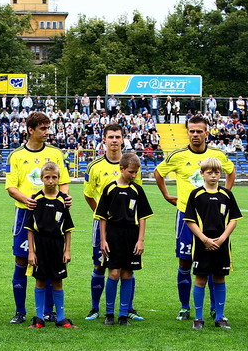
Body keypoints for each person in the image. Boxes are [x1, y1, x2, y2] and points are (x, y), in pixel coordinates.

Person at [154, 115, 235, 321]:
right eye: (192, 131)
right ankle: (184, 307)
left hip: (213, 219)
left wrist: (224, 194)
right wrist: (166, 195)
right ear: (187, 132)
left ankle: (215, 309)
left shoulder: (217, 155)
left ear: (206, 133)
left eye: (199, 131)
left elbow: (231, 172)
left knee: (213, 263)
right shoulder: (177, 155)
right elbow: (158, 173)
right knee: (184, 262)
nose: (195, 134)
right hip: (186, 217)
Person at [5, 112, 71, 325]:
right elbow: (11, 187)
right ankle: (20, 311)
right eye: (42, 128)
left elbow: (65, 182)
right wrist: (28, 200)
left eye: (47, 127)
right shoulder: (16, 155)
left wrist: (65, 197)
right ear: (30, 129)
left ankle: (49, 312)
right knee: (22, 260)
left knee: (51, 260)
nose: (46, 132)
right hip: (26, 212)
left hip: (52, 214)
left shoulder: (56, 154)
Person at [83, 123, 143, 321]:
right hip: (103, 225)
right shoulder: (94, 166)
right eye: (111, 137)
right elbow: (89, 195)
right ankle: (95, 308)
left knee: (128, 267)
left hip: (127, 227)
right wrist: (104, 216)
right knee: (100, 265)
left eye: (118, 136)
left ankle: (129, 308)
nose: (115, 140)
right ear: (105, 139)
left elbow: (137, 197)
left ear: (122, 139)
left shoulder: (133, 165)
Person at [182, 157, 241, 330]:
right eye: (209, 172)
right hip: (201, 244)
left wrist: (222, 238)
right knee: (200, 279)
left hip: (222, 244)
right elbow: (190, 221)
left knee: (220, 278)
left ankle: (220, 317)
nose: (213, 176)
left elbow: (233, 220)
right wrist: (204, 239)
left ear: (221, 174)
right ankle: (198, 318)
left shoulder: (226, 195)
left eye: (216, 172)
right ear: (202, 174)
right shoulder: (196, 194)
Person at [95, 153, 153, 327]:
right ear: (121, 169)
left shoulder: (137, 190)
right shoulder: (110, 188)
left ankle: (123, 314)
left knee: (128, 273)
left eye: (136, 172)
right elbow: (102, 217)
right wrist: (103, 240)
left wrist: (140, 240)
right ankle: (109, 313)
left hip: (131, 235)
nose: (134, 175)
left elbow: (143, 216)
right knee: (113, 273)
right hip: (113, 234)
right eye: (131, 172)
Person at [26, 162, 76, 329]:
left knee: (57, 281)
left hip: (57, 245)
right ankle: (39, 318)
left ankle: (60, 317)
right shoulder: (36, 199)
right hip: (40, 245)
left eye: (54, 177)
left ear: (58, 178)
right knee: (40, 280)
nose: (50, 181)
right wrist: (31, 252)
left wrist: (67, 250)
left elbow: (68, 229)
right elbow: (30, 229)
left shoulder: (63, 200)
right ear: (41, 179)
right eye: (47, 177)